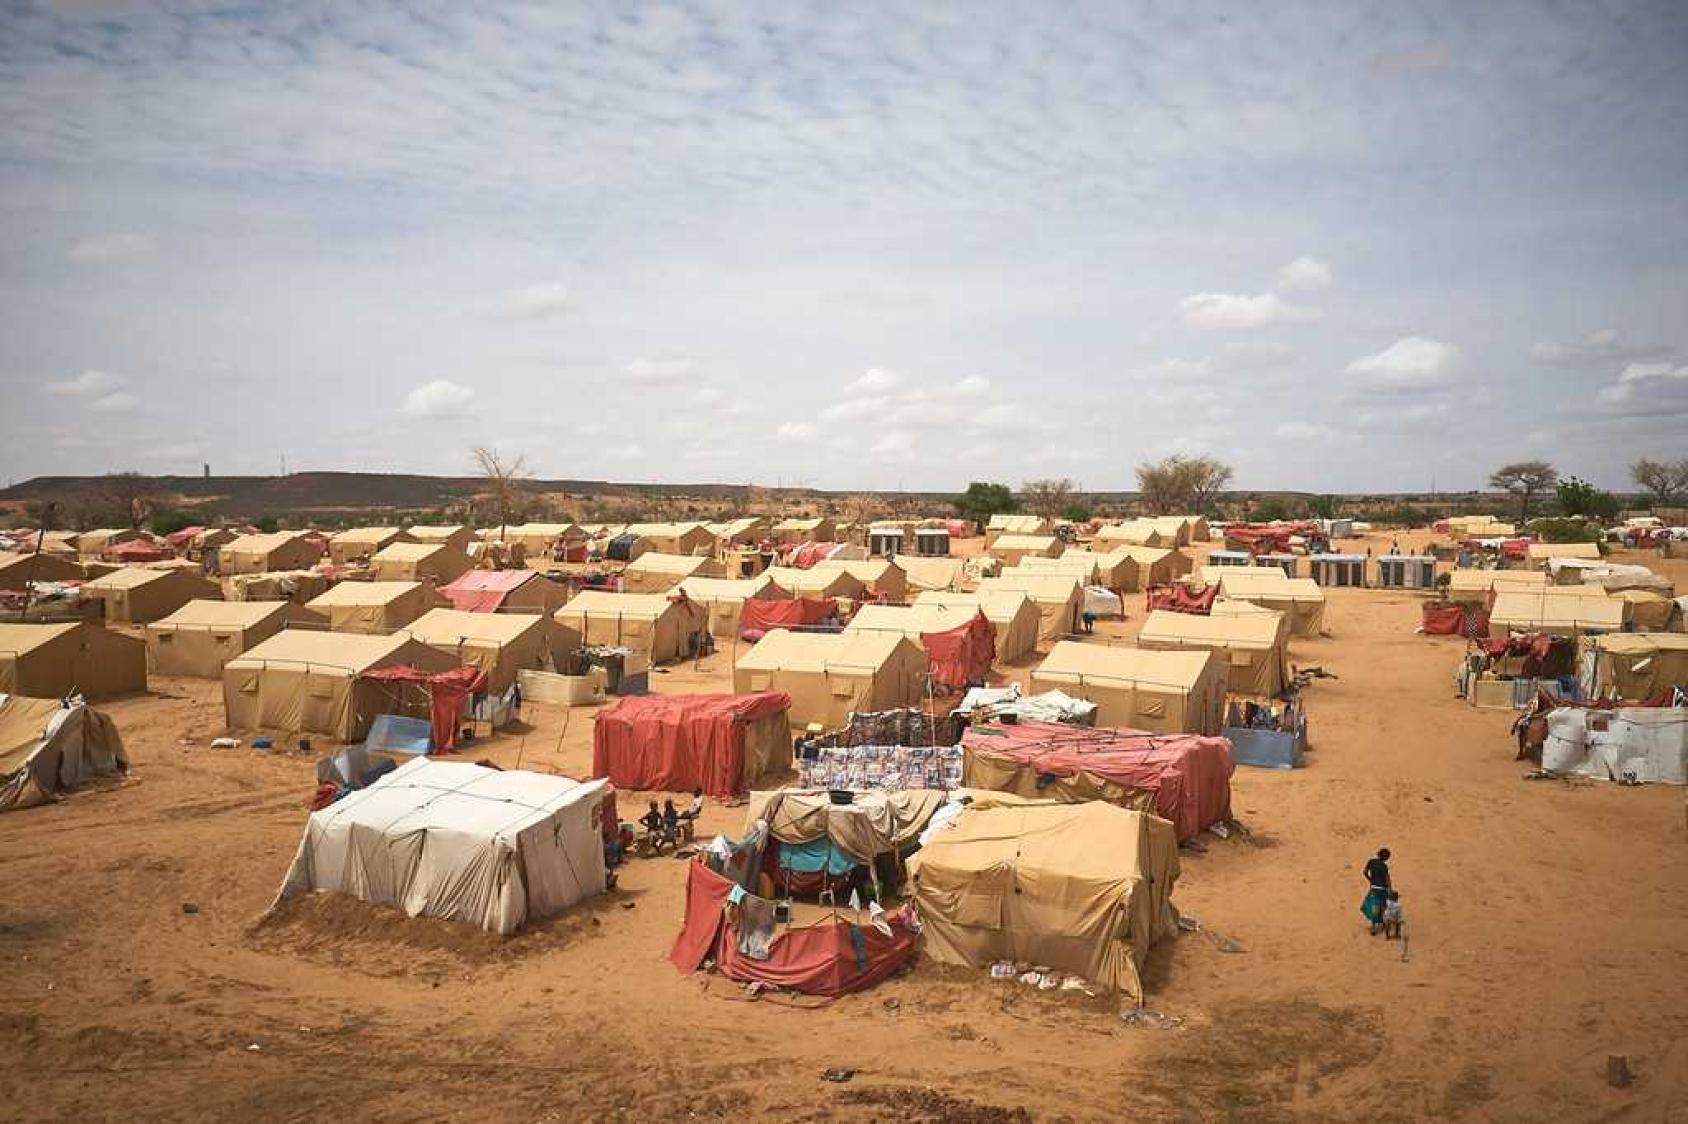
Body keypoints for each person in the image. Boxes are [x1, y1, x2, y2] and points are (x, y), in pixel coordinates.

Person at [1361, 848, 1392, 934]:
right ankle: (1382, 923)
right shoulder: (1384, 866)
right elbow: (1387, 879)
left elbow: (1364, 872)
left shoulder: (1371, 862)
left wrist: (1370, 879)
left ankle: (1374, 926)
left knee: (1374, 906)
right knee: (1383, 906)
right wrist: (1390, 889)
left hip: (1374, 888)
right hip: (1383, 889)